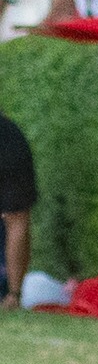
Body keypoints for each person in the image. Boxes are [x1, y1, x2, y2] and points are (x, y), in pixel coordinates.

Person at [0, 102, 31, 307]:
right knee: (17, 218)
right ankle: (14, 295)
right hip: (8, 138)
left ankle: (13, 294)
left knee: (16, 218)